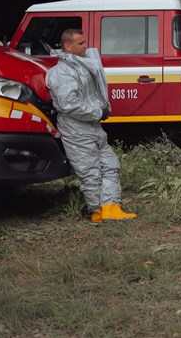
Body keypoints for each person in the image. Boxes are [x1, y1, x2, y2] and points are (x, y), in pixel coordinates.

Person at [46, 29, 136, 223]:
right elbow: (68, 105)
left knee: (110, 165)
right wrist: (98, 112)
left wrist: (100, 111)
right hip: (76, 129)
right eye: (80, 43)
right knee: (90, 172)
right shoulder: (61, 73)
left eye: (84, 42)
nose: (85, 46)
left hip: (93, 127)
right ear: (67, 46)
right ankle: (98, 212)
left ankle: (111, 207)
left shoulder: (82, 65)